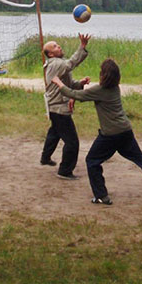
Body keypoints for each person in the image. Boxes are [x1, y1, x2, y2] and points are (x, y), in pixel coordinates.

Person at [53, 58, 142, 206]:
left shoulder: (99, 90)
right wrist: (75, 97)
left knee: (92, 161)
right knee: (141, 159)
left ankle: (101, 196)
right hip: (125, 131)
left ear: (103, 75)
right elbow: (80, 95)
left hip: (110, 135)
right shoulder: (114, 88)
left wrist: (58, 82)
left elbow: (75, 94)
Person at [41, 33, 91, 179]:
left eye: (58, 44)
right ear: (50, 54)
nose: (59, 46)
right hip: (59, 109)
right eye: (55, 46)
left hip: (55, 108)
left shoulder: (57, 64)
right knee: (72, 142)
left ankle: (45, 158)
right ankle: (65, 171)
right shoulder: (55, 63)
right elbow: (71, 63)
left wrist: (79, 84)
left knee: (55, 133)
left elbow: (68, 85)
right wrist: (82, 46)